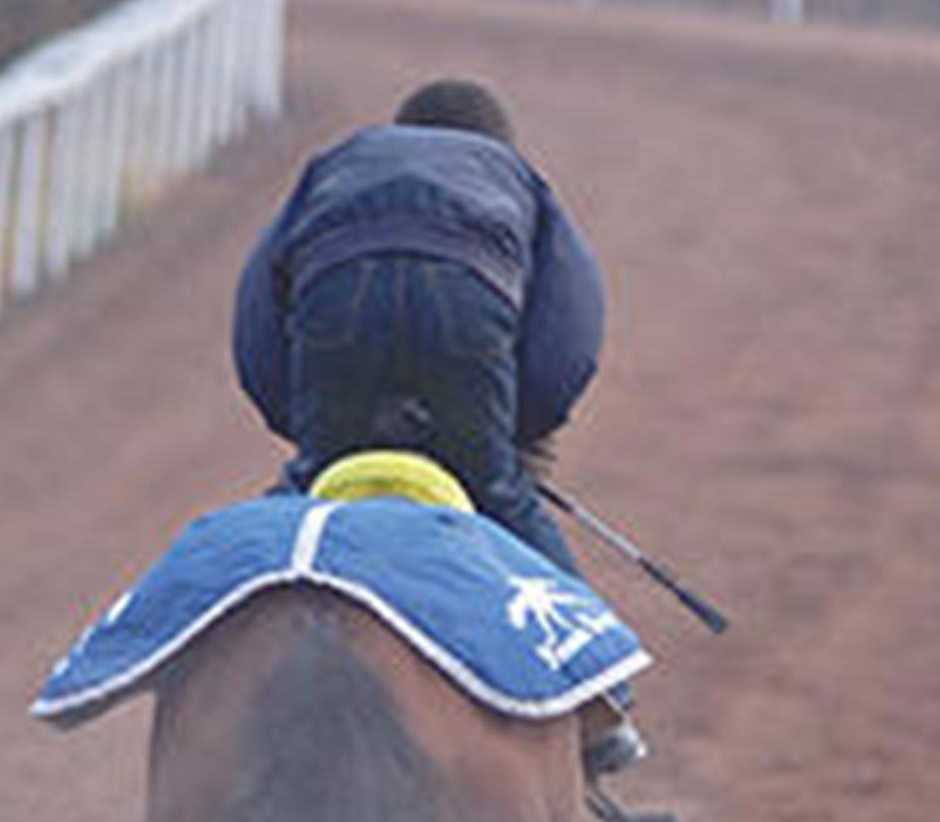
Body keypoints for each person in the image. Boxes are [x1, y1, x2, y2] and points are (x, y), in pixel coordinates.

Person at [231, 77, 644, 777]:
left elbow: (256, 328)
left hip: (338, 308)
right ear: (495, 147)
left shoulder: (337, 166)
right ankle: (598, 704)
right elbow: (567, 344)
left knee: (305, 498)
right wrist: (507, 444)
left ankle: (217, 649)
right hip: (468, 314)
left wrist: (310, 437)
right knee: (502, 497)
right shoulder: (519, 183)